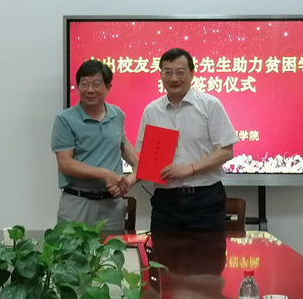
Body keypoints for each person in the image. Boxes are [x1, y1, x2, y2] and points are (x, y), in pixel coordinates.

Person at [136, 48, 239, 231]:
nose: (174, 78)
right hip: (165, 202)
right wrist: (127, 181)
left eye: (180, 72)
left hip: (205, 199)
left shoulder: (210, 105)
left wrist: (189, 169)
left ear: (192, 73)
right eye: (168, 72)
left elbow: (226, 151)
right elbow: (145, 158)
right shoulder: (152, 111)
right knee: (163, 250)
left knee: (209, 250)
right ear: (161, 75)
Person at [52, 60, 138, 231]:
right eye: (84, 84)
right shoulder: (65, 119)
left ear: (108, 87)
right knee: (72, 248)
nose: (89, 90)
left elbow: (130, 155)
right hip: (78, 202)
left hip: (112, 204)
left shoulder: (117, 115)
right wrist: (105, 174)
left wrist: (126, 183)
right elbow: (65, 163)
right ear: (77, 87)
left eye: (96, 84)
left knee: (111, 248)